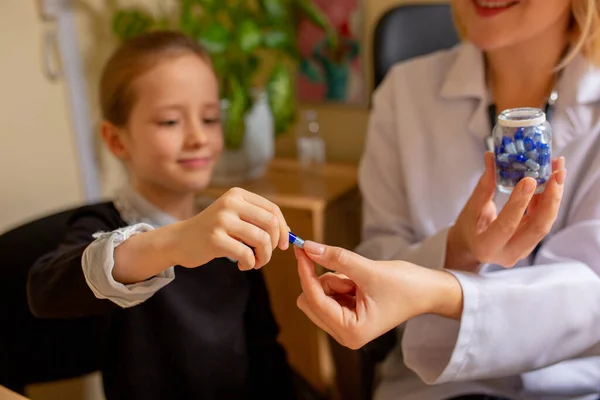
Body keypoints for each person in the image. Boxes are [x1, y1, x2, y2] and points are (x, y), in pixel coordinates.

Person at [295, 0, 600, 399]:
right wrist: (457, 250)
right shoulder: (404, 93)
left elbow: (591, 294)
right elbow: (381, 254)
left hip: (572, 387)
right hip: (430, 388)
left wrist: (439, 292)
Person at [26, 31, 296, 400]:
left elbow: (264, 350)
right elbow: (46, 290)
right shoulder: (101, 225)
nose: (198, 137)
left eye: (211, 118)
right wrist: (174, 241)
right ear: (117, 141)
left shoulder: (232, 227)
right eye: (171, 122)